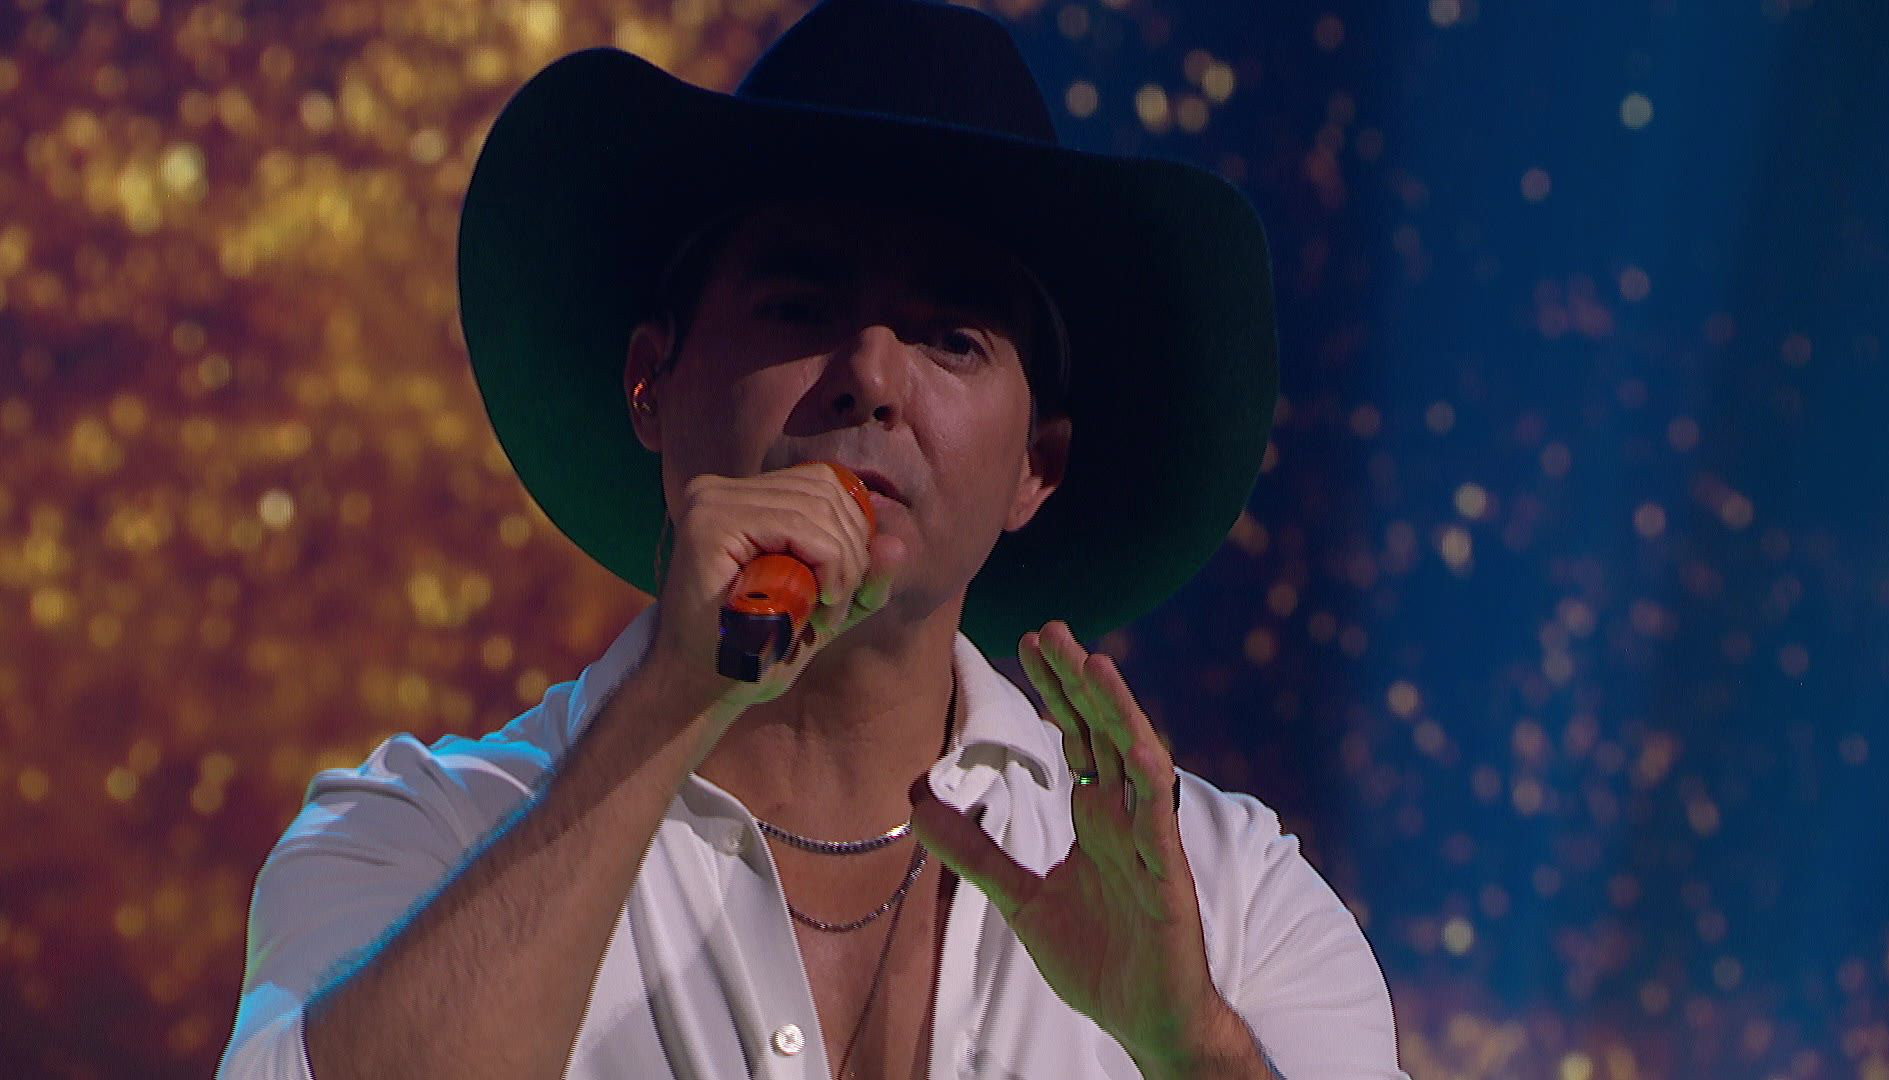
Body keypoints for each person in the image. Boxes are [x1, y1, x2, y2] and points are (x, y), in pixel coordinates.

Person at [216, 1, 1408, 1077]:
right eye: (801, 306)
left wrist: (1191, 1049)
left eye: (951, 338)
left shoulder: (1226, 901)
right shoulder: (420, 835)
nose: (872, 375)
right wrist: (675, 696)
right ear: (650, 382)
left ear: (1036, 467)